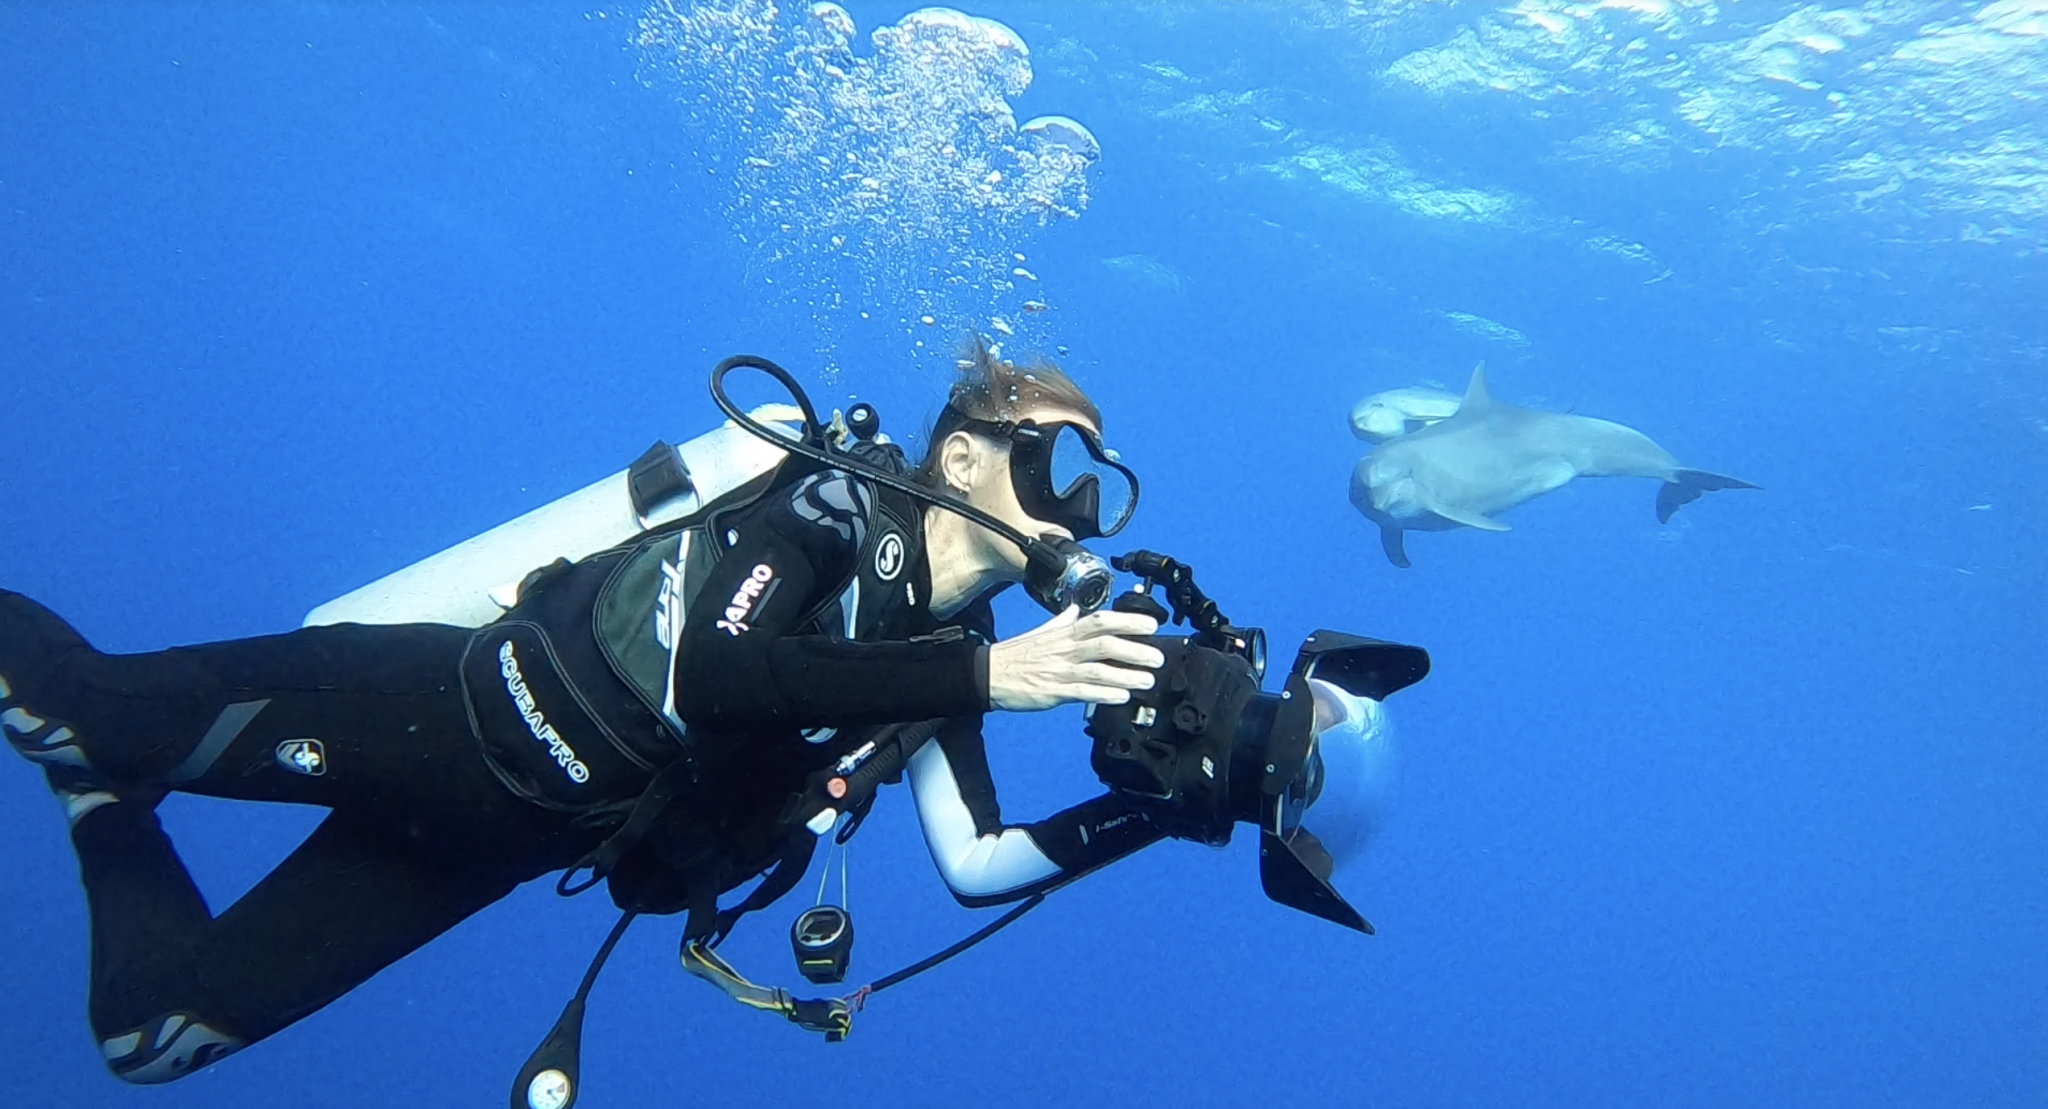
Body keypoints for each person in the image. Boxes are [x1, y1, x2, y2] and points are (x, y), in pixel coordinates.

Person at [0, 339, 1169, 1086]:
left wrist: (1155, 807)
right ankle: (93, 747)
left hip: (497, 844)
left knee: (153, 1038)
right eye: (1059, 461)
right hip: (448, 708)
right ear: (961, 456)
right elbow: (714, 670)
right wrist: (988, 679)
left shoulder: (952, 655)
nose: (1075, 509)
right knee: (68, 701)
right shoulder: (831, 500)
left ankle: (102, 793)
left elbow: (981, 859)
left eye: (1097, 490)